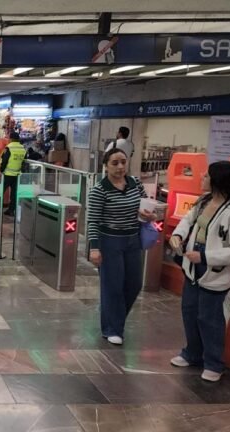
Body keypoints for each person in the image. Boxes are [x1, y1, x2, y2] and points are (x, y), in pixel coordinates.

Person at [169, 161, 230, 382]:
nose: (202, 177)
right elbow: (188, 221)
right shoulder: (204, 201)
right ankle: (192, 353)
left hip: (213, 269)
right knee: (189, 312)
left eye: (207, 175)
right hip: (192, 266)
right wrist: (178, 235)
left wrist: (206, 257)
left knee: (209, 318)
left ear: (217, 181)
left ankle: (214, 363)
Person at [87, 147, 155, 346]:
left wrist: (147, 215)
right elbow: (93, 221)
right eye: (115, 163)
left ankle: (115, 318)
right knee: (113, 286)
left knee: (134, 284)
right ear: (106, 166)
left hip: (133, 240)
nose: (120, 167)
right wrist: (94, 248)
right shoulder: (100, 190)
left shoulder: (135, 183)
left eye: (123, 162)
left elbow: (143, 207)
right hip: (110, 242)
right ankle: (112, 329)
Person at [0, 132, 27, 217]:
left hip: (7, 174)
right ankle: (11, 210)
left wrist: (1, 169)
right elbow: (24, 162)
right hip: (17, 174)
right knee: (14, 194)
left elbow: (4, 160)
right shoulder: (23, 148)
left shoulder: (9, 147)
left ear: (11, 138)